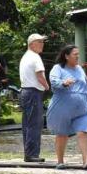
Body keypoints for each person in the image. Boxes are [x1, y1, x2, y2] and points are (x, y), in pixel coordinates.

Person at [47, 44, 87, 169]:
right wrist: (63, 83)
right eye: (75, 54)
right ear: (66, 56)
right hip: (62, 108)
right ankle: (60, 161)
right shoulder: (58, 68)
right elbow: (53, 82)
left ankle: (86, 161)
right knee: (62, 134)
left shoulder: (80, 69)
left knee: (83, 132)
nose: (78, 57)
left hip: (82, 108)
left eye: (78, 54)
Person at [19, 33, 49, 163]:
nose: (42, 44)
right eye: (39, 42)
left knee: (27, 124)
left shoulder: (26, 56)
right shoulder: (35, 57)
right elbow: (40, 76)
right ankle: (32, 154)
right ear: (31, 44)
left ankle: (29, 153)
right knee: (35, 124)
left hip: (25, 91)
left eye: (43, 42)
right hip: (33, 92)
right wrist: (47, 87)